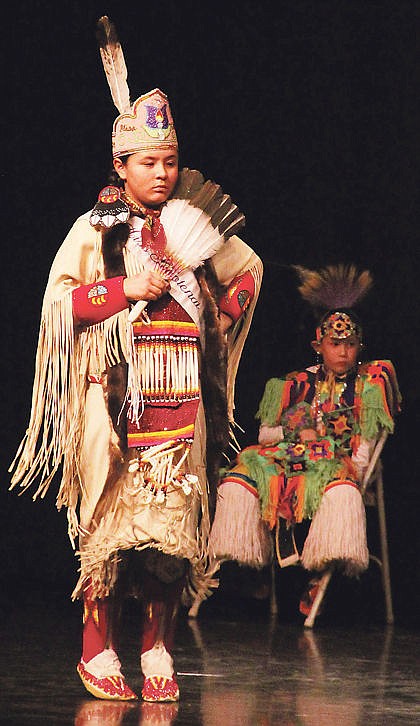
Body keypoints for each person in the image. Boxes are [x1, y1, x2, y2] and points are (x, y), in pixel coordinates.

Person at [9, 17, 262, 703]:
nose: (161, 173)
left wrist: (219, 309)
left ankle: (157, 649)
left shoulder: (195, 230)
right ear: (119, 165)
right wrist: (125, 289)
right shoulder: (94, 229)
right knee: (111, 535)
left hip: (181, 409)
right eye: (148, 162)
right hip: (115, 407)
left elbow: (248, 273)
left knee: (174, 541)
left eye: (169, 161)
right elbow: (60, 304)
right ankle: (97, 649)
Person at [207, 264, 401, 616]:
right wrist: (299, 430)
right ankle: (245, 570)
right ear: (318, 344)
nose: (343, 352)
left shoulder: (368, 388)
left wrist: (353, 470)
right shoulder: (293, 385)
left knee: (338, 490)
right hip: (286, 459)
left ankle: (317, 570)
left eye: (351, 344)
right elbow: (266, 435)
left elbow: (365, 449)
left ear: (361, 346)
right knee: (241, 478)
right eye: (335, 343)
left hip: (334, 466)